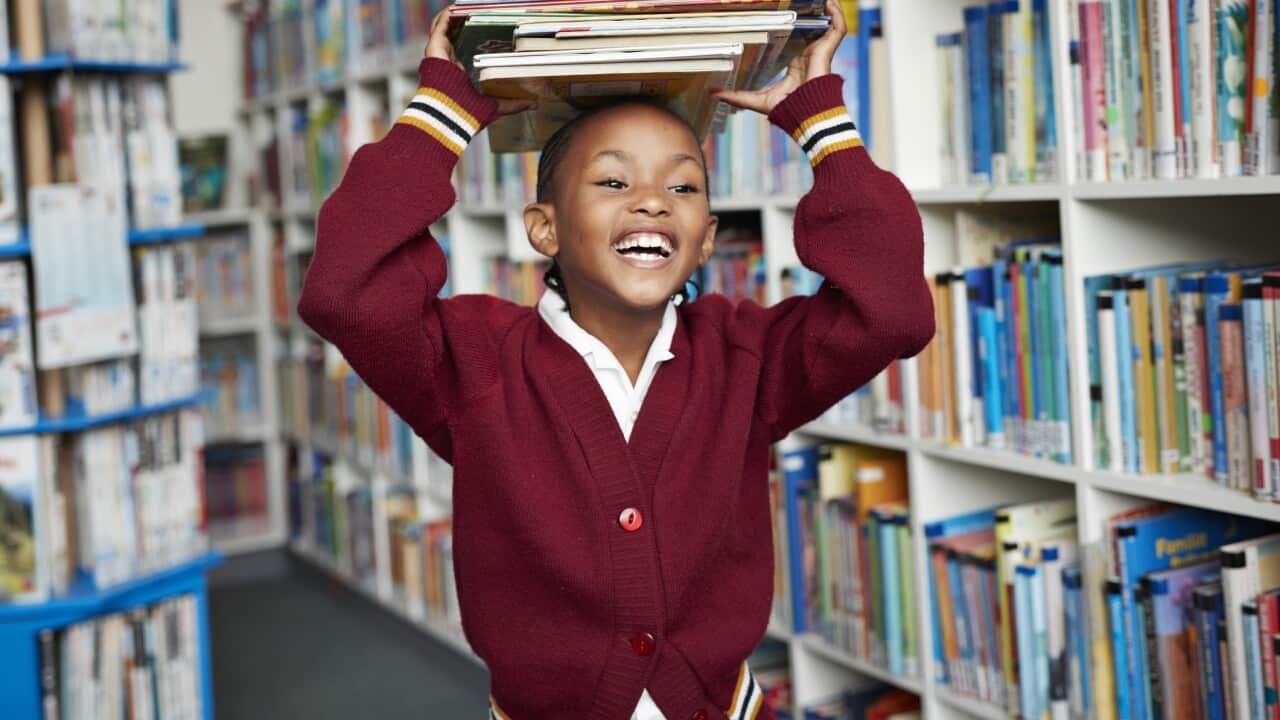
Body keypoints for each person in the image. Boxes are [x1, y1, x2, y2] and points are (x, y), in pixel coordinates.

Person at [297, 2, 934, 718]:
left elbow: (893, 310)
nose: (654, 203)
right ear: (544, 229)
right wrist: (443, 112)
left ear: (705, 238)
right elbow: (345, 289)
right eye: (612, 182)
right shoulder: (472, 365)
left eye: (683, 186)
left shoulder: (747, 359)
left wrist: (820, 124)